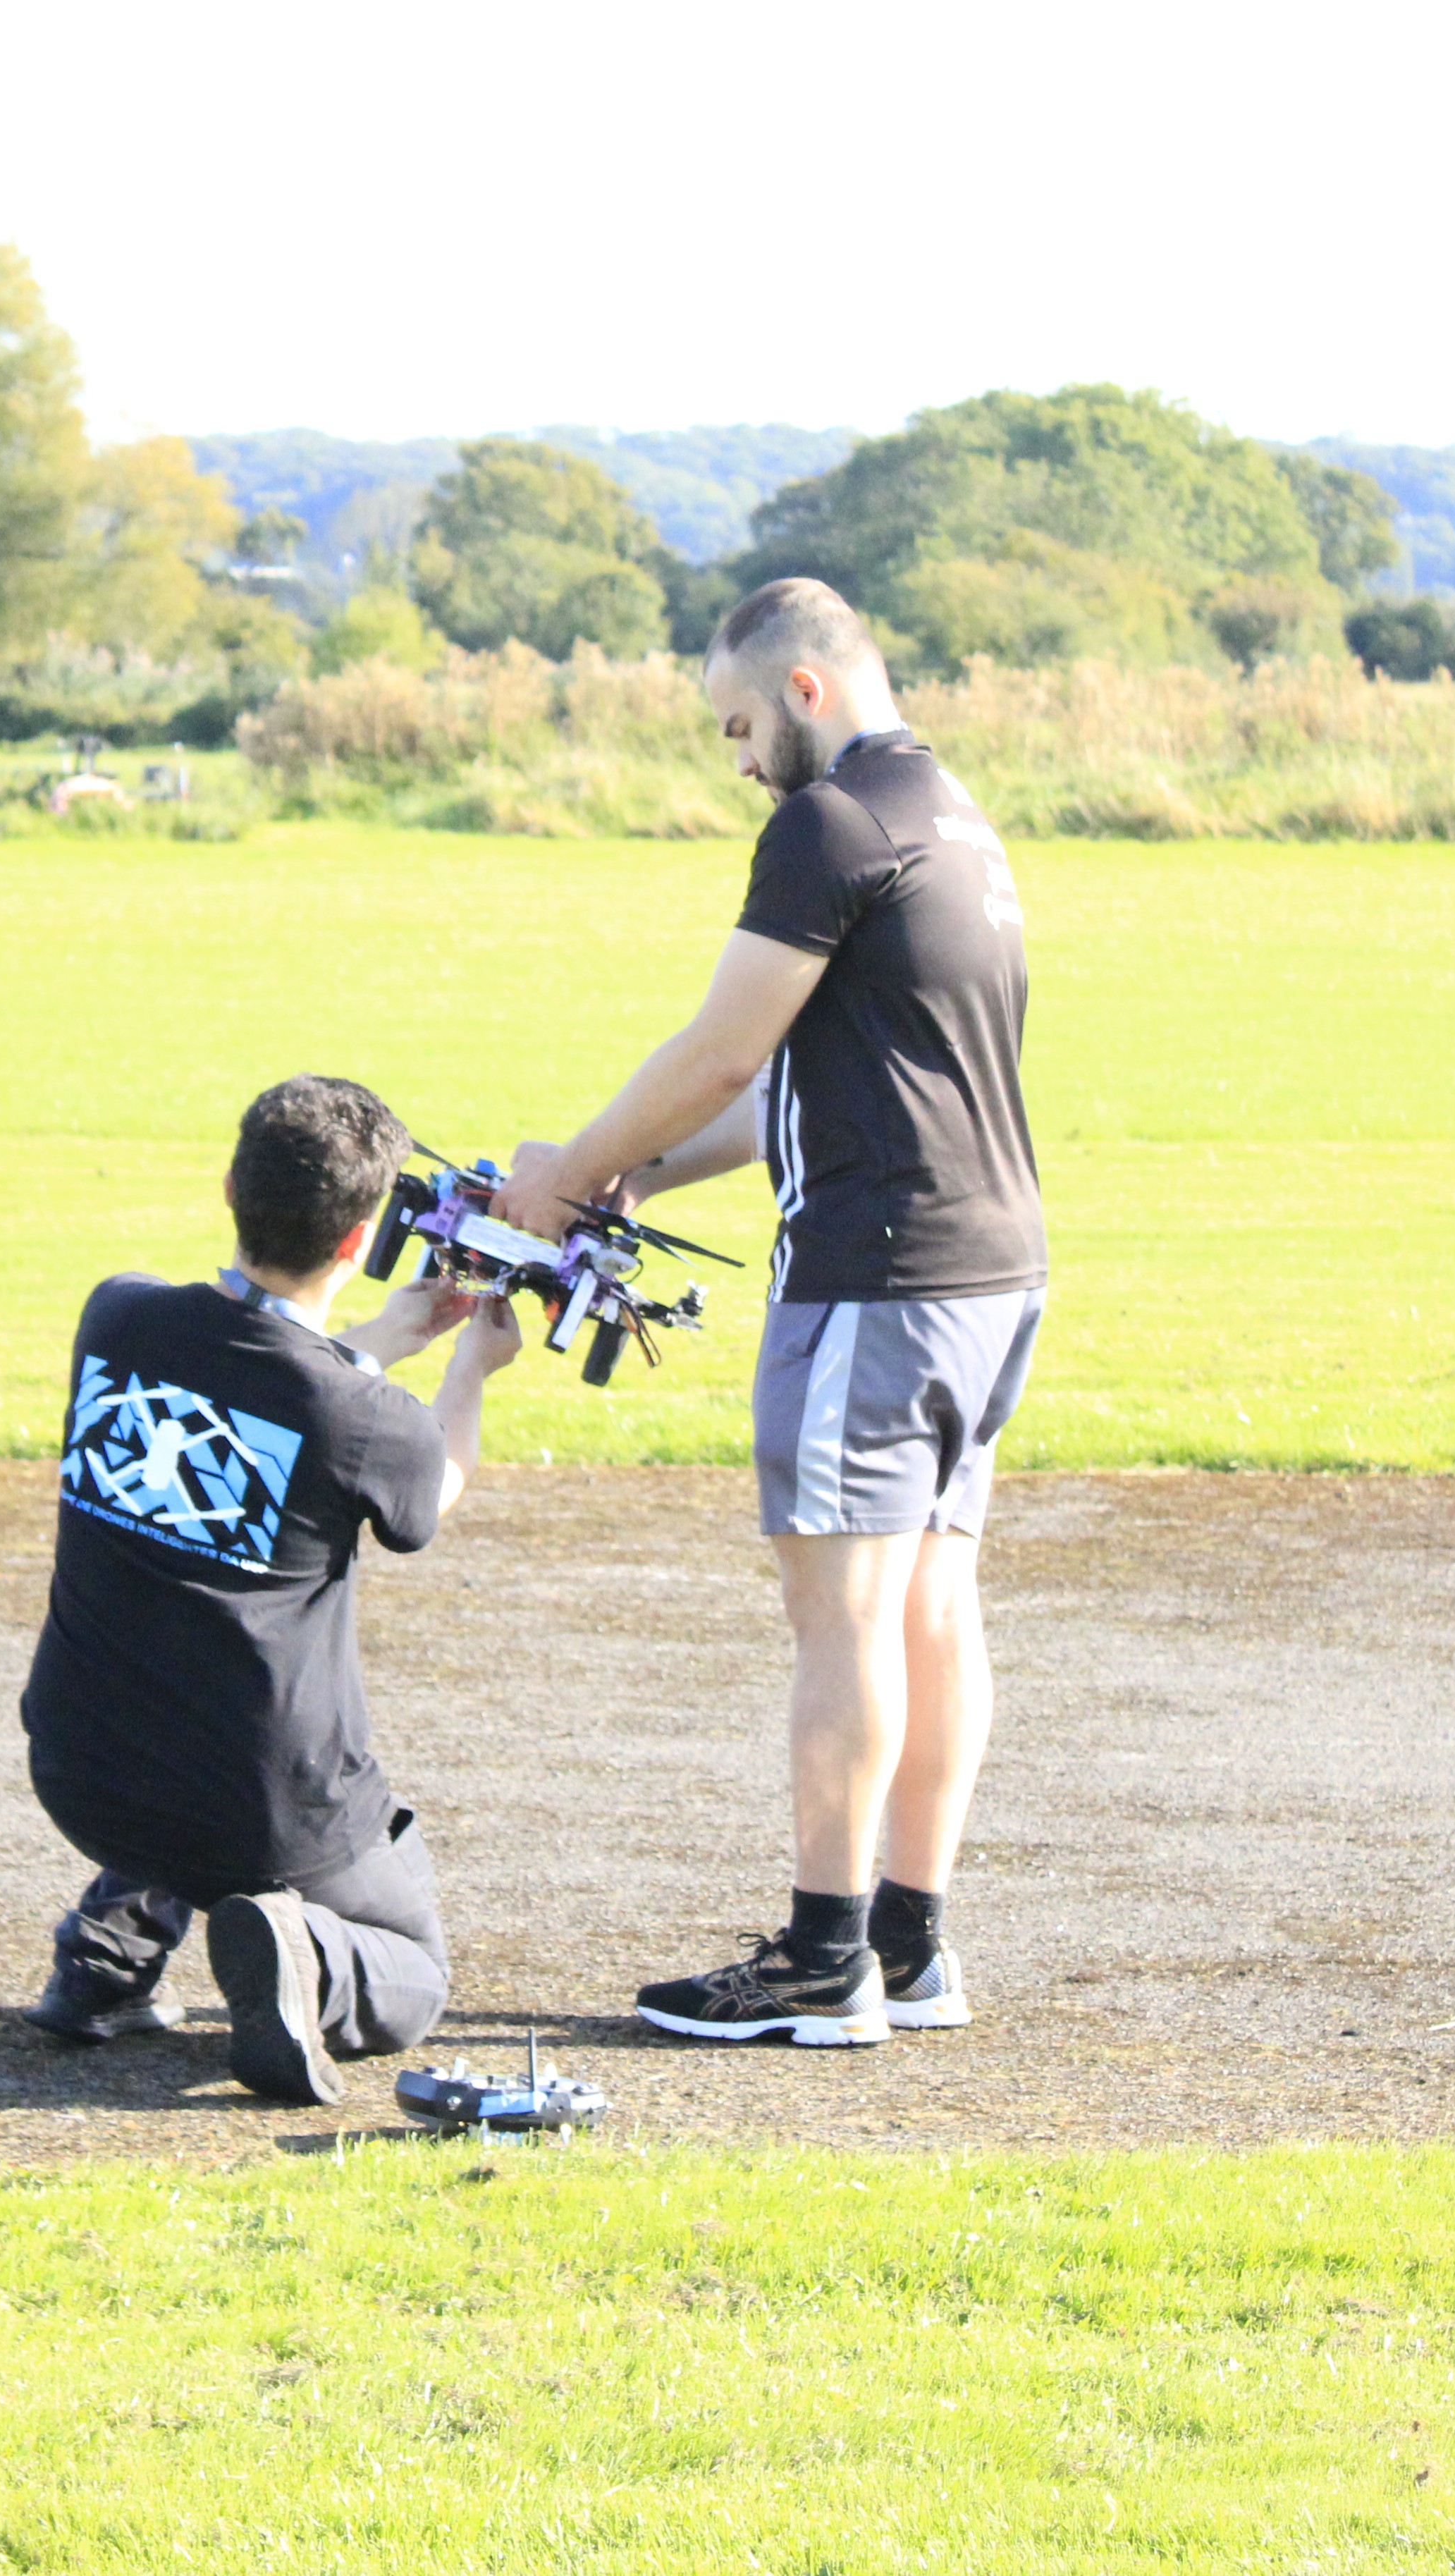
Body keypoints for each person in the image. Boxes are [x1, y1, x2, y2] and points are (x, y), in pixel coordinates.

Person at [496, 577, 1040, 2048]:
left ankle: (822, 1958)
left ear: (805, 690)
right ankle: (911, 1946)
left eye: (739, 722)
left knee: (841, 1615)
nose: (736, 758)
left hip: (875, 1278)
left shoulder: (825, 821)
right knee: (933, 1606)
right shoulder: (953, 814)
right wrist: (632, 1183)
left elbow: (727, 1049)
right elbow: (808, 1091)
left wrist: (569, 1170)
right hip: (989, 1272)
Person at [18, 1072, 521, 2104]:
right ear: (358, 1238)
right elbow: (430, 1483)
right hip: (266, 1815)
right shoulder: (362, 1419)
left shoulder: (117, 1320)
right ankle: (306, 1962)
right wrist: (470, 1366)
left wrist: (383, 1340)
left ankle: (106, 1959)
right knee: (417, 1975)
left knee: (170, 1655)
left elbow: (250, 1394)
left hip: (82, 1768)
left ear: (232, 1187)